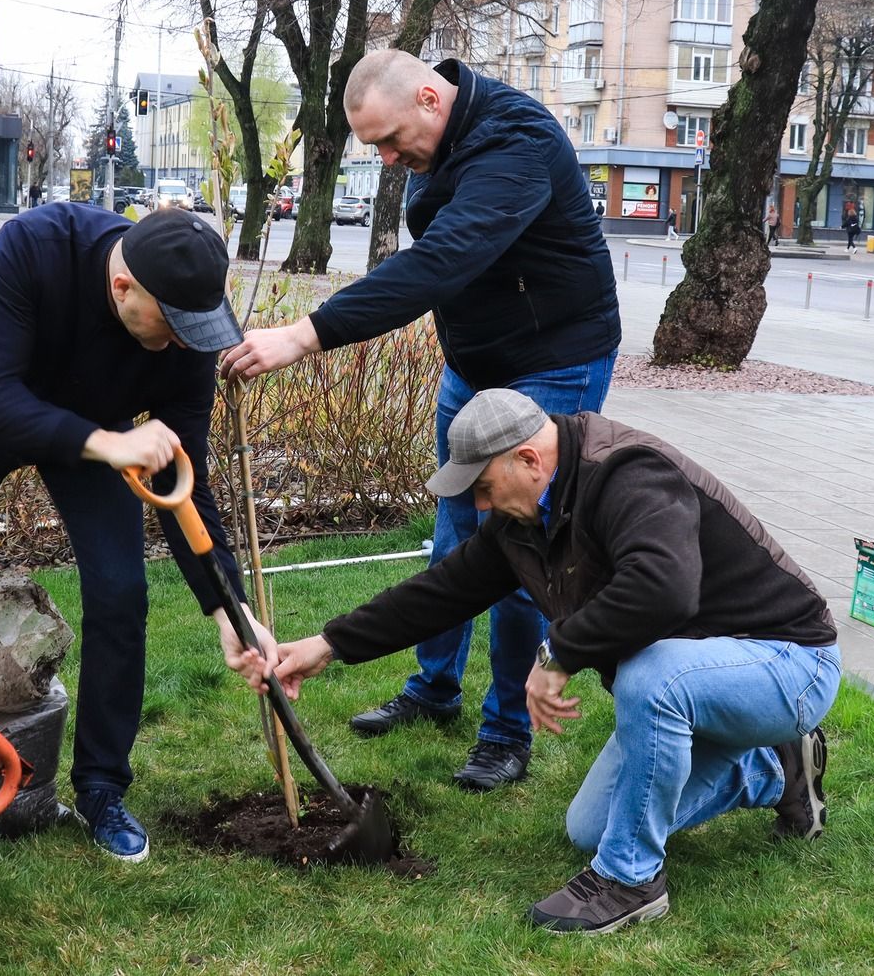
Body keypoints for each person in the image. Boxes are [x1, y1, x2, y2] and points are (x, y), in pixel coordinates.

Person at [252, 390, 842, 934]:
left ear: (530, 460)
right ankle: (775, 769)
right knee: (590, 828)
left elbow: (665, 588)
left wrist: (557, 653)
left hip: (788, 664)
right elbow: (442, 591)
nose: (480, 503)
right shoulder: (523, 519)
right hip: (707, 678)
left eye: (483, 486)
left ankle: (630, 881)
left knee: (652, 677)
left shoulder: (628, 473)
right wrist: (327, 645)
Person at [222, 49, 619, 793]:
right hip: (472, 366)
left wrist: (303, 335)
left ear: (432, 100)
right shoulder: (440, 136)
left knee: (521, 559)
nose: (389, 159)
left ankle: (506, 731)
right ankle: (434, 688)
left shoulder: (518, 141)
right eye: (375, 147)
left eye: (391, 139)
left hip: (552, 364)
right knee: (452, 536)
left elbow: (441, 262)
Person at [0, 204, 273, 863]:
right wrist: (108, 443)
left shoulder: (186, 332)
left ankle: (100, 791)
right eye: (172, 326)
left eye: (195, 331)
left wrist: (226, 606)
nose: (182, 343)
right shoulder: (38, 246)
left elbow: (185, 482)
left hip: (96, 435)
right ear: (124, 288)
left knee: (121, 593)